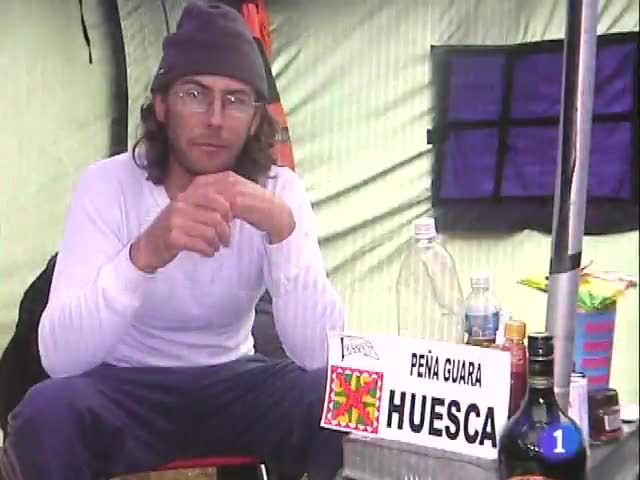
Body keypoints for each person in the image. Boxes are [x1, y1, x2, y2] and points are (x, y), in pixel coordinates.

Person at [0, 2, 345, 479]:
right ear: (161, 106)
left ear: (254, 119)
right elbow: (59, 357)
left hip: (234, 383)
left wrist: (283, 234)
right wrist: (146, 253)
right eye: (194, 94)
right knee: (46, 412)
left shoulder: (278, 191)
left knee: (344, 401)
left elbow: (322, 359)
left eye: (235, 100)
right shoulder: (108, 186)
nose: (215, 119)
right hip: (126, 388)